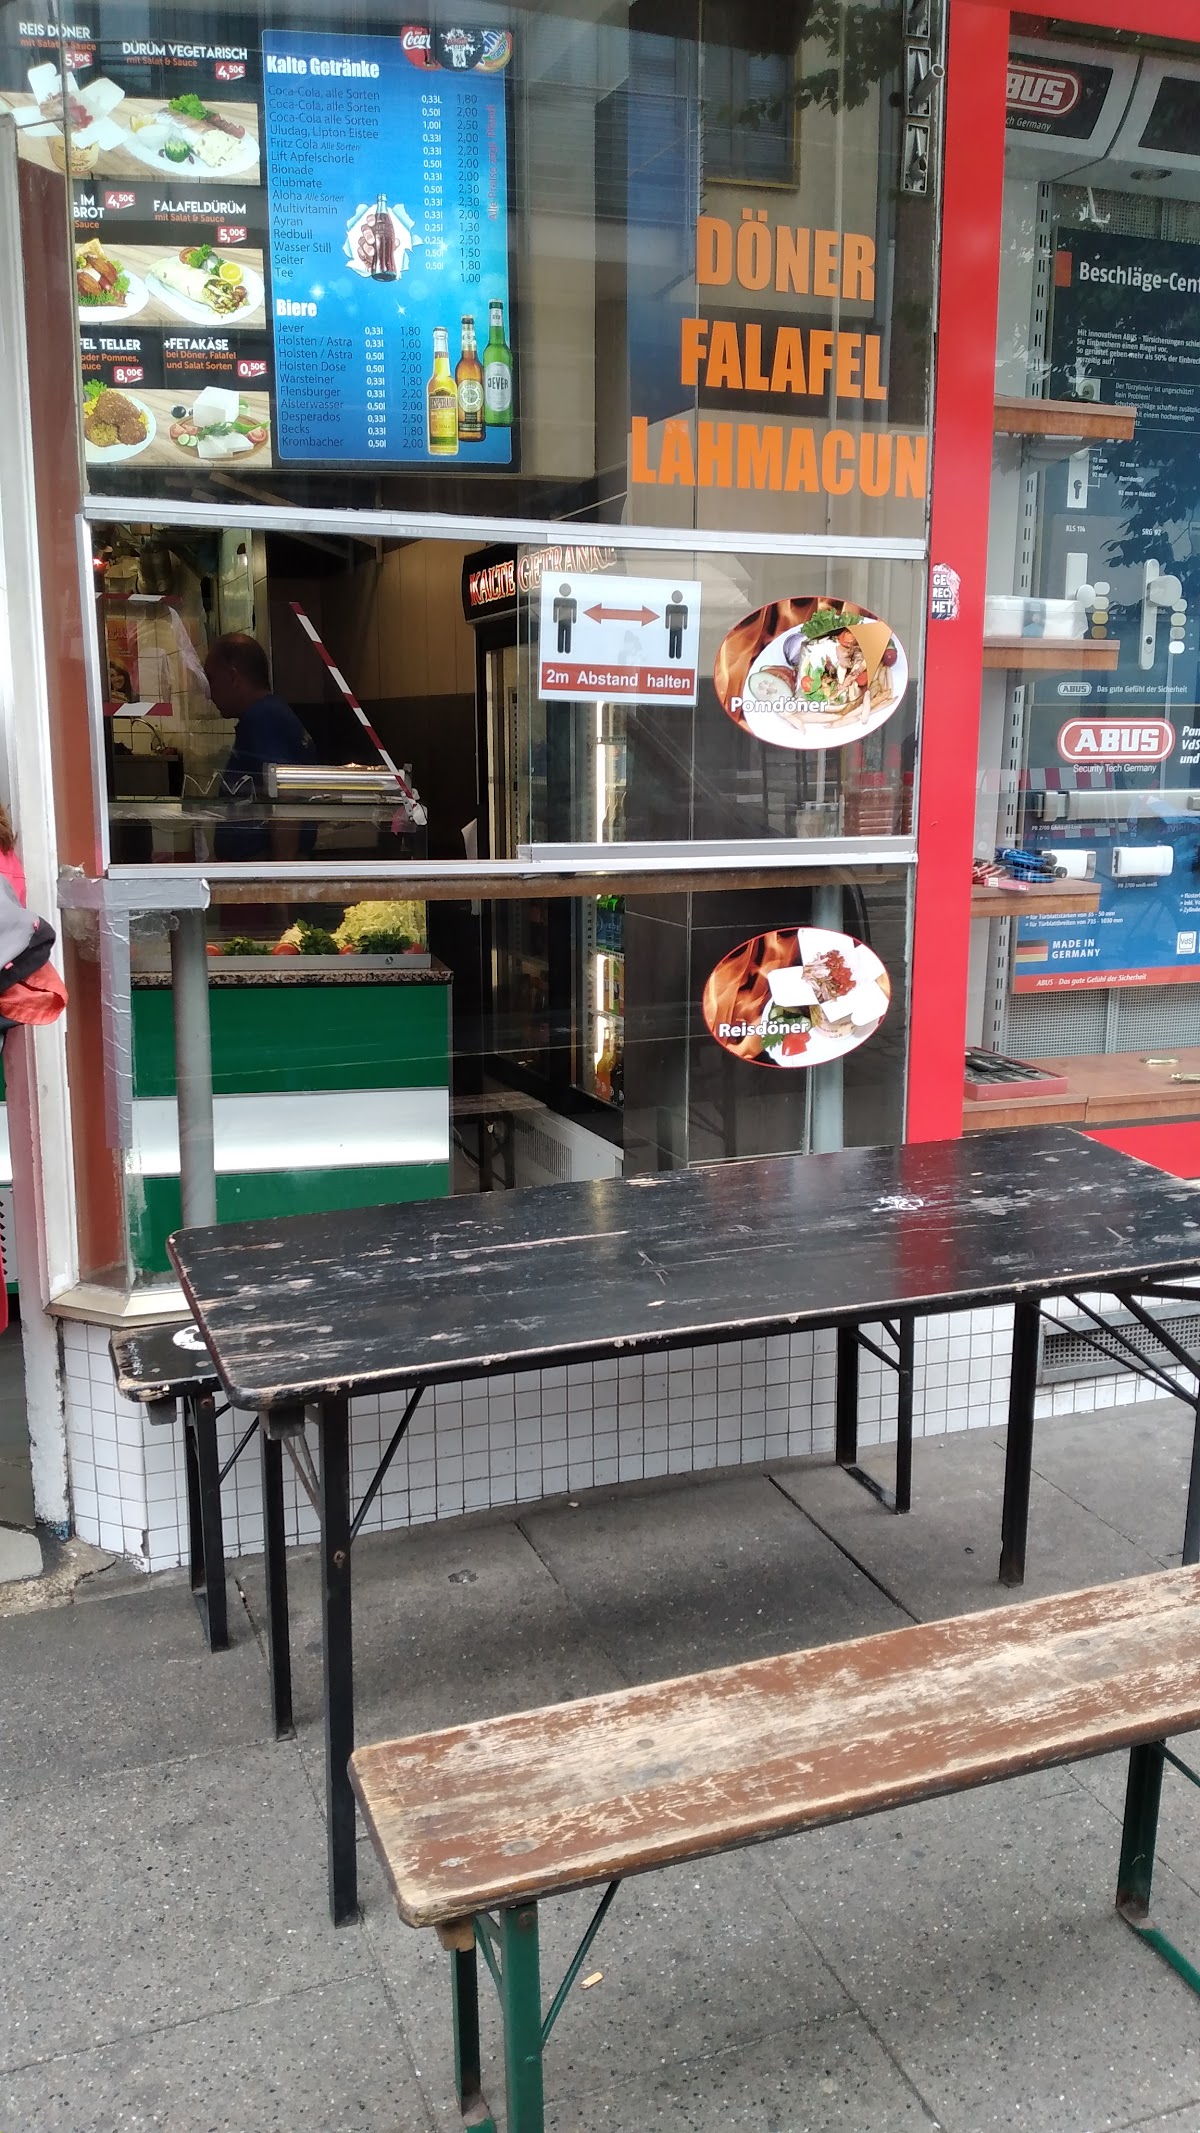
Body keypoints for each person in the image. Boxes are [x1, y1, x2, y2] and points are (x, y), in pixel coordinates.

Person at [203, 633, 313, 862]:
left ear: (233, 677)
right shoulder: (266, 714)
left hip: (261, 870)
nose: (209, 694)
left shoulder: (264, 718)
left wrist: (279, 877)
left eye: (211, 680)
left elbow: (286, 795)